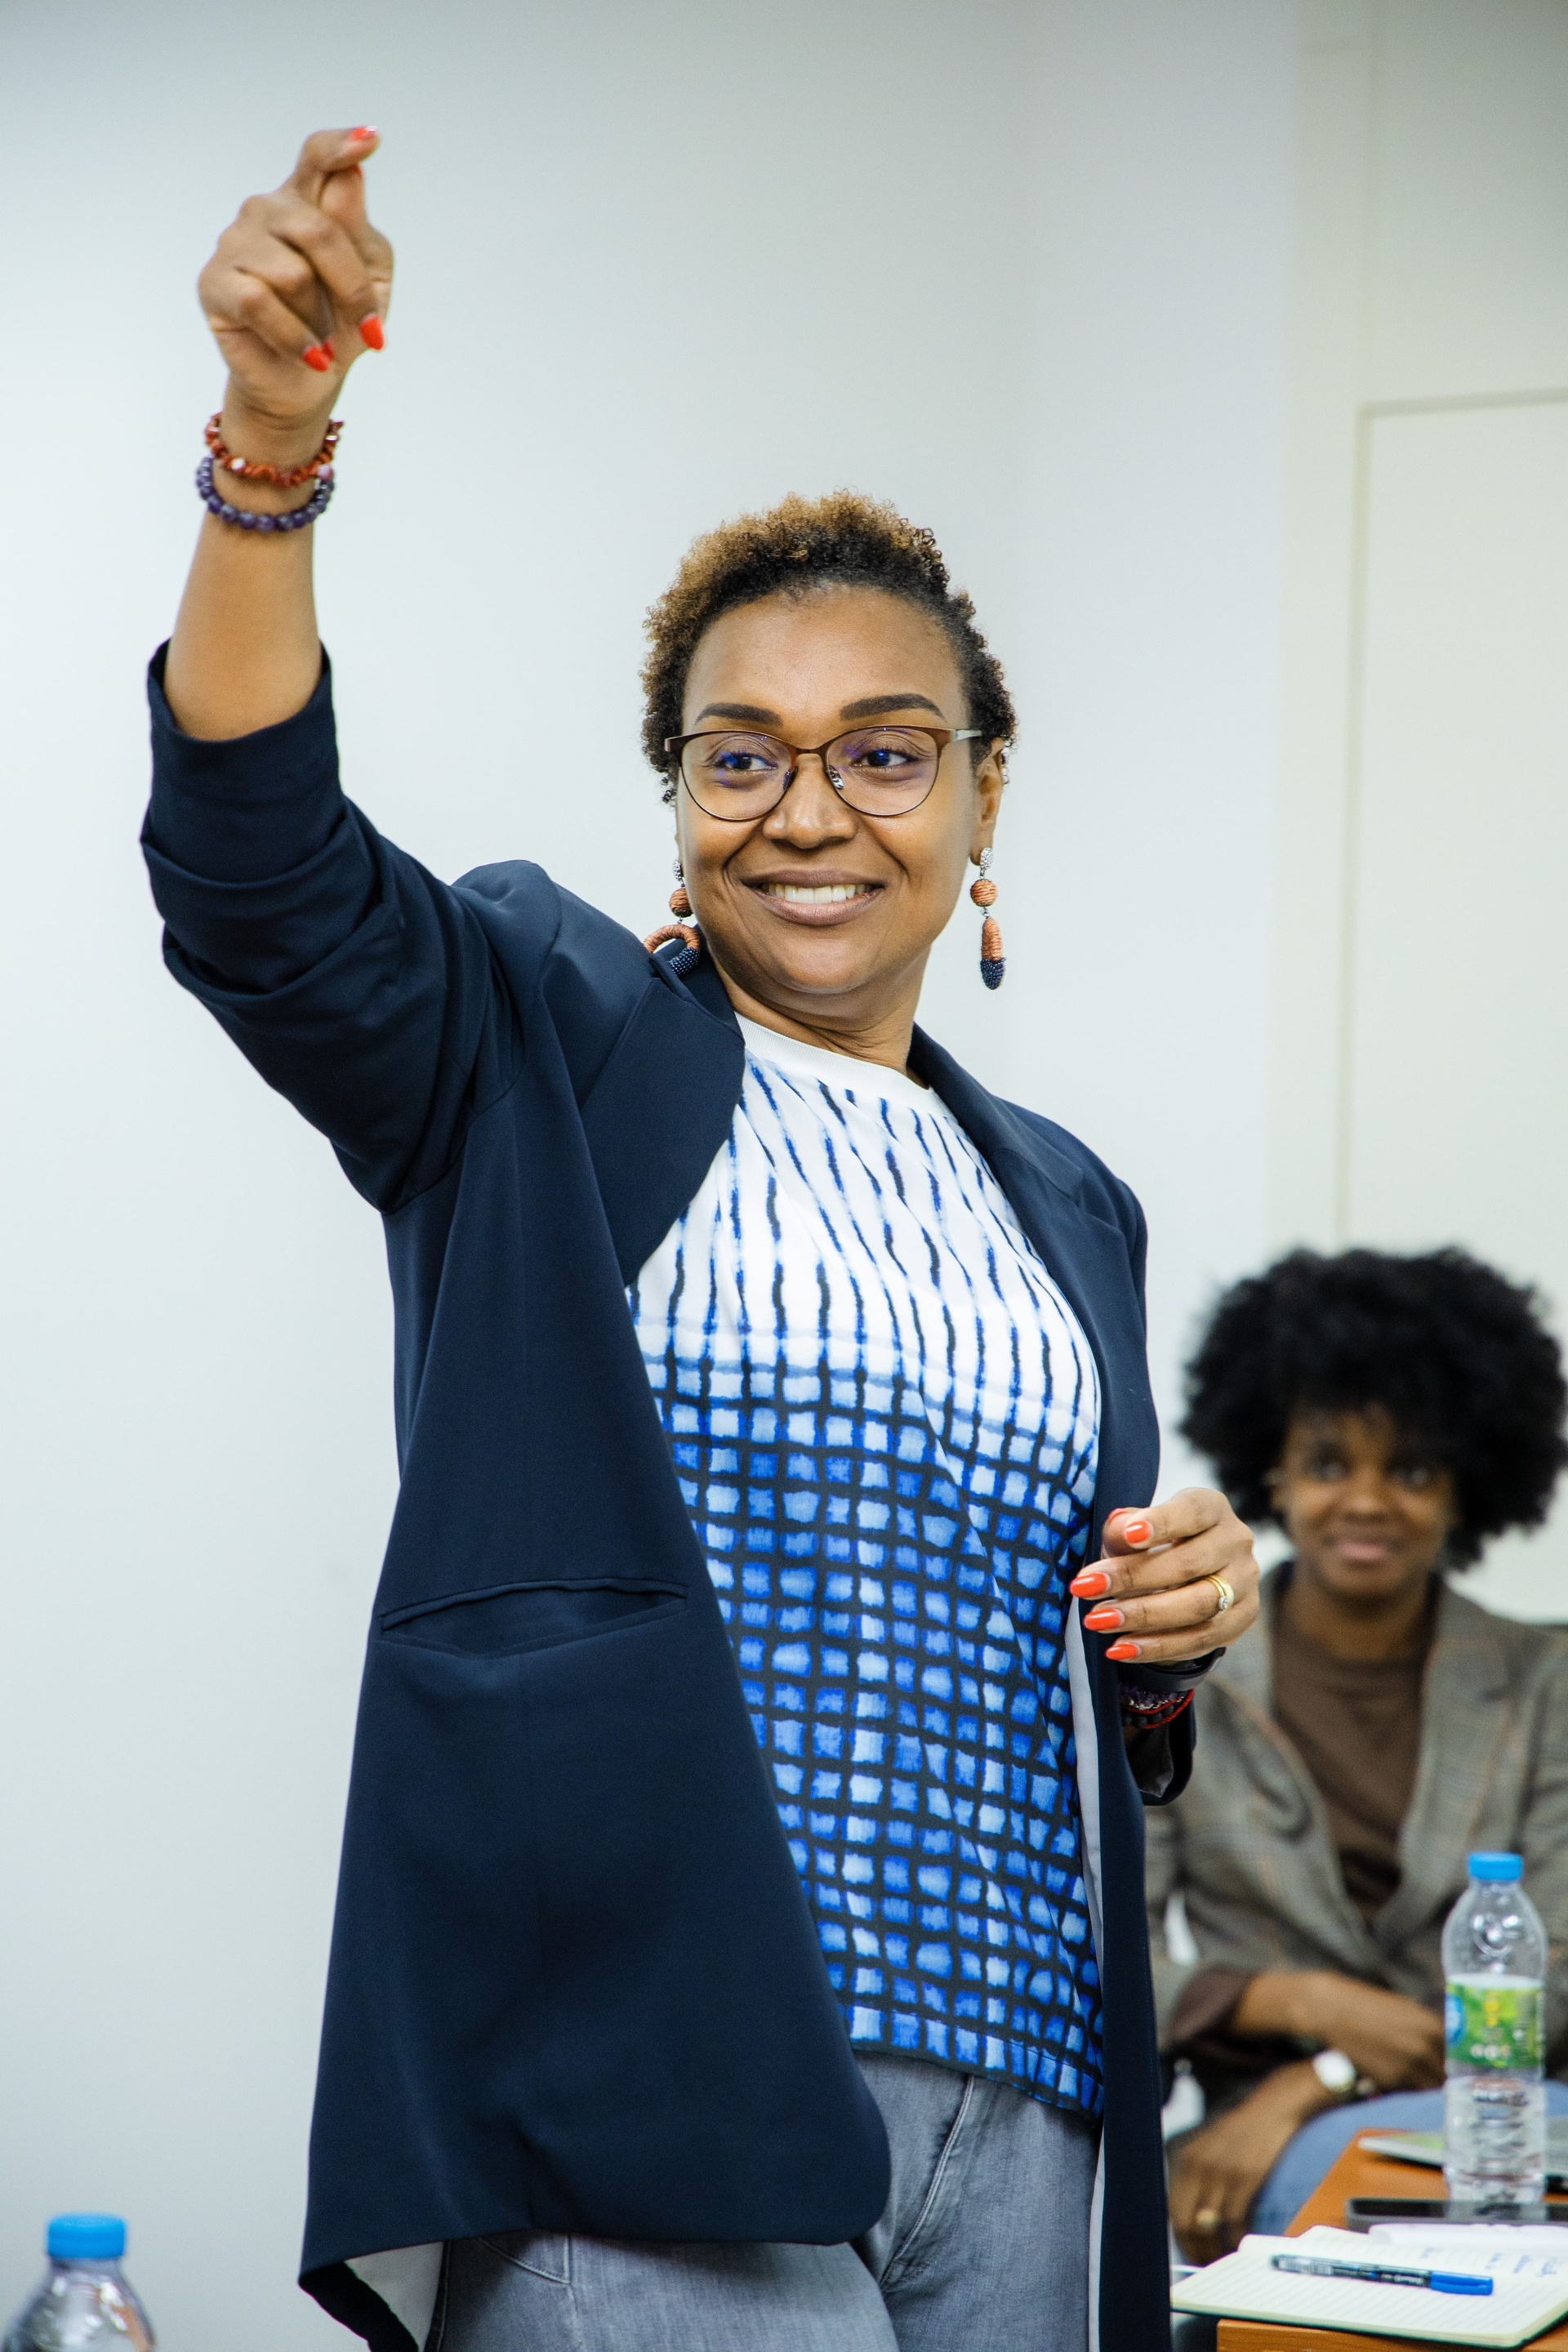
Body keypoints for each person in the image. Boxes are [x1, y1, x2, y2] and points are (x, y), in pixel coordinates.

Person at [145, 127, 1262, 2352]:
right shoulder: (543, 1047)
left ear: (985, 793)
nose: (809, 809)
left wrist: (1170, 1627)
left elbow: (1047, 1630)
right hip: (656, 2076)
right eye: (738, 758)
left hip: (1033, 2096)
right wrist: (269, 454)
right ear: (673, 802)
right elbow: (261, 886)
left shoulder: (1063, 1199)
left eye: (885, 753)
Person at [1152, 1244, 1568, 2261]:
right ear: (1273, 1474)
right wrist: (1296, 2001)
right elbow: (1110, 1954)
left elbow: (1553, 1968)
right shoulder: (1185, 1675)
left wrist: (1322, 2075)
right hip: (1262, 2139)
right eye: (1330, 1464)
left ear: (1468, 1488)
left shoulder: (1545, 1681)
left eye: (1412, 1470)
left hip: (1507, 2117)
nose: (1368, 1501)